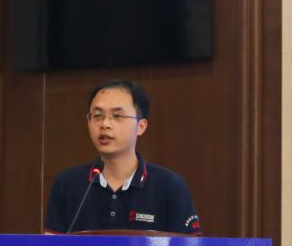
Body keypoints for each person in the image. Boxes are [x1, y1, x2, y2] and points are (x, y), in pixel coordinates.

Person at [44, 79, 202, 234]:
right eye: (97, 116)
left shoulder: (170, 187)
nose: (105, 124)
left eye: (117, 116)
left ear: (141, 126)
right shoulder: (66, 184)